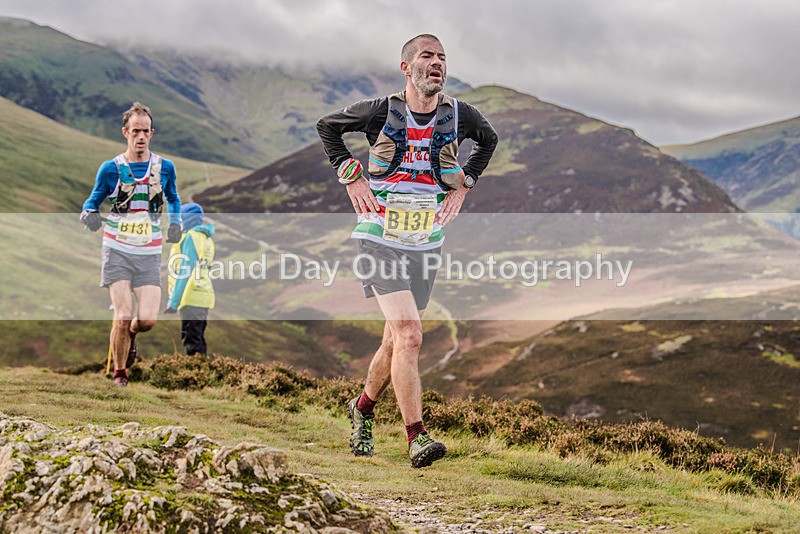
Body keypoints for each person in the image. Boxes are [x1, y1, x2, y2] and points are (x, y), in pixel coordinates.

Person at [316, 34, 498, 467]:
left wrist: (465, 185)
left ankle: (362, 408)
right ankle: (417, 437)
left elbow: (488, 140)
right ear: (406, 67)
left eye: (442, 57)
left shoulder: (460, 115)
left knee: (395, 340)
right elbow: (328, 127)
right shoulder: (380, 111)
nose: (437, 63)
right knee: (411, 335)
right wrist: (351, 176)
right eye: (427, 56)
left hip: (425, 241)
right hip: (378, 234)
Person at [80, 101, 182, 387]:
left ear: (152, 134)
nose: (140, 136)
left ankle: (132, 335)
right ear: (125, 132)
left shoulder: (165, 168)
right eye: (135, 130)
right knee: (123, 315)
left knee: (146, 321)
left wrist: (176, 222)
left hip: (149, 252)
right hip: (117, 250)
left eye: (145, 131)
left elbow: (173, 198)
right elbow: (92, 201)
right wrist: (89, 216)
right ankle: (120, 374)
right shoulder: (110, 168)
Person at [165, 203, 215, 356]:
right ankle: (201, 367)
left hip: (191, 295)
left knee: (191, 341)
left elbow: (185, 270)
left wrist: (173, 302)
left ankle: (195, 370)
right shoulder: (206, 238)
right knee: (197, 338)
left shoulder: (191, 238)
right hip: (203, 294)